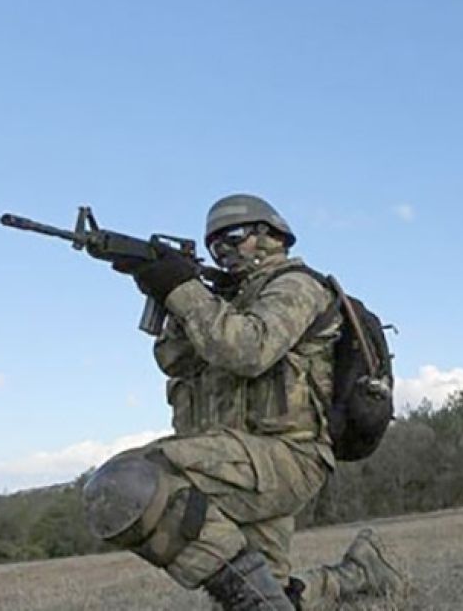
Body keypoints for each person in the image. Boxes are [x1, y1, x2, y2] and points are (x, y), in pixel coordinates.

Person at [80, 194, 407, 610]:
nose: (224, 250)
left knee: (127, 483)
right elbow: (174, 360)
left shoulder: (297, 286)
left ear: (272, 235)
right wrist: (170, 292)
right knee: (273, 591)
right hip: (238, 458)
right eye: (215, 244)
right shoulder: (223, 302)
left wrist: (183, 288)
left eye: (233, 236)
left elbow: (248, 350)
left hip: (286, 456)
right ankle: (359, 574)